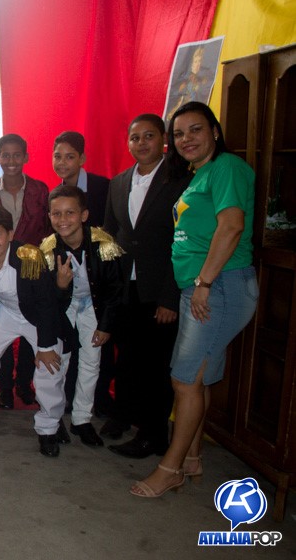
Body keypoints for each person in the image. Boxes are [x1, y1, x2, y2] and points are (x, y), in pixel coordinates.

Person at [131, 102, 256, 498]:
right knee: (198, 379)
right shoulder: (199, 174)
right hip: (201, 287)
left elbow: (231, 226)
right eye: (180, 133)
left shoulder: (227, 168)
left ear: (215, 132)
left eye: (196, 130)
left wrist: (204, 282)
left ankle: (169, 469)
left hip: (218, 286)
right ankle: (192, 457)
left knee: (183, 380)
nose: (186, 139)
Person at [102, 114, 191, 455]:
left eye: (148, 136)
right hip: (125, 286)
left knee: (155, 363)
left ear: (164, 139)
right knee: (125, 356)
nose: (141, 143)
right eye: (135, 137)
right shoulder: (119, 182)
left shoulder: (181, 181)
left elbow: (183, 244)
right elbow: (110, 235)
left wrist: (170, 297)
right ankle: (122, 415)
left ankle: (153, 434)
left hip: (160, 288)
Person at [0, 205, 72, 457]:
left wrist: (45, 347)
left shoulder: (29, 257)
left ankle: (49, 427)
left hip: (37, 318)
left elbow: (46, 304)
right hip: (7, 313)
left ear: (10, 234)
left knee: (49, 368)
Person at [40, 185, 123, 448]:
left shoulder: (104, 244)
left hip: (93, 307)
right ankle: (54, 418)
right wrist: (60, 286)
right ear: (49, 216)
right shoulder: (47, 249)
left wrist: (105, 326)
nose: (63, 220)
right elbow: (46, 298)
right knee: (58, 362)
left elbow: (115, 290)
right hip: (63, 307)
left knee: (91, 362)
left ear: (84, 215)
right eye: (56, 214)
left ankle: (81, 419)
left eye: (70, 213)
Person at [0, 134, 51, 410]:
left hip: (31, 271)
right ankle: (6, 388)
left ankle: (24, 383)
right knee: (3, 331)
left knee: (31, 325)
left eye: (16, 155)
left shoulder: (40, 190)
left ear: (26, 157)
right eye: (5, 155)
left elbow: (47, 230)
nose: (11, 160)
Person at [51, 131, 113, 417]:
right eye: (57, 156)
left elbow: (110, 229)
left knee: (94, 353)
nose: (62, 163)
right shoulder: (56, 194)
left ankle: (90, 409)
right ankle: (61, 406)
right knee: (65, 351)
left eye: (69, 156)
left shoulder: (103, 187)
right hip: (68, 290)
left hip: (97, 285)